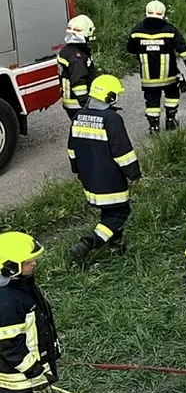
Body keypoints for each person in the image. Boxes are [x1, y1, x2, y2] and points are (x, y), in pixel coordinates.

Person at [66, 75, 140, 263]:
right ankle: (87, 244)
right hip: (110, 178)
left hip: (89, 178)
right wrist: (134, 174)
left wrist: (77, 171)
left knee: (109, 212)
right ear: (110, 96)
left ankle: (117, 244)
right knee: (120, 212)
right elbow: (122, 152)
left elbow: (71, 149)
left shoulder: (78, 116)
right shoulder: (112, 118)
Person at [0, 232, 60, 393]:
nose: (33, 263)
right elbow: (9, 346)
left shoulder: (20, 286)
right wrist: (35, 374)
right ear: (10, 267)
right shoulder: (8, 302)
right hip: (24, 382)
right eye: (27, 261)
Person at [126, 0, 186, 134]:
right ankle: (170, 120)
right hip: (169, 74)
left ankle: (154, 126)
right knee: (172, 96)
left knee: (151, 101)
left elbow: (131, 49)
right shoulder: (170, 30)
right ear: (163, 14)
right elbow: (183, 50)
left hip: (148, 76)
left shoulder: (136, 31)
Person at [57, 15, 97, 121]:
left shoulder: (67, 50)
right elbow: (78, 82)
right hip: (78, 103)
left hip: (71, 101)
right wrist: (86, 104)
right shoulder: (77, 57)